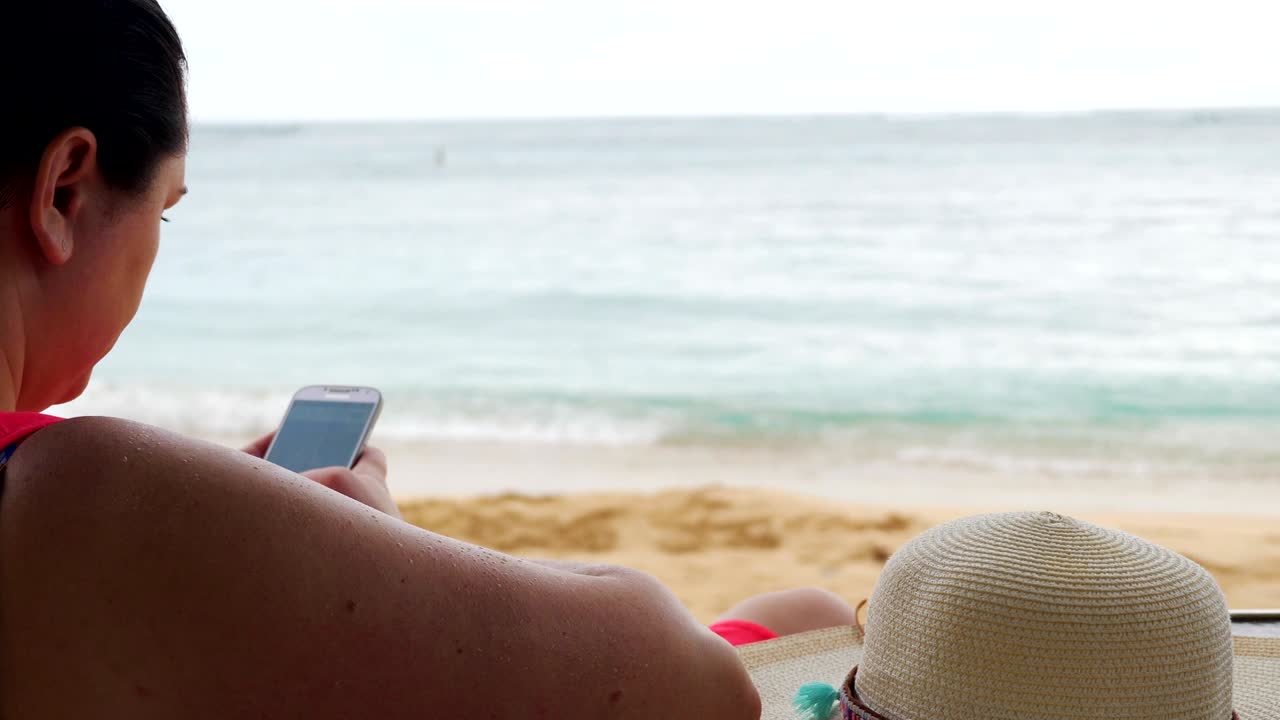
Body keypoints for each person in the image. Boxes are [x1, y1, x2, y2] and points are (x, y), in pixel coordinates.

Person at [0, 2, 789, 717]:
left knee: (803, 616)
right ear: (64, 193)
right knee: (812, 613)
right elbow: (701, 687)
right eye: (165, 211)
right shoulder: (78, 490)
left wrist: (257, 524)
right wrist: (376, 540)